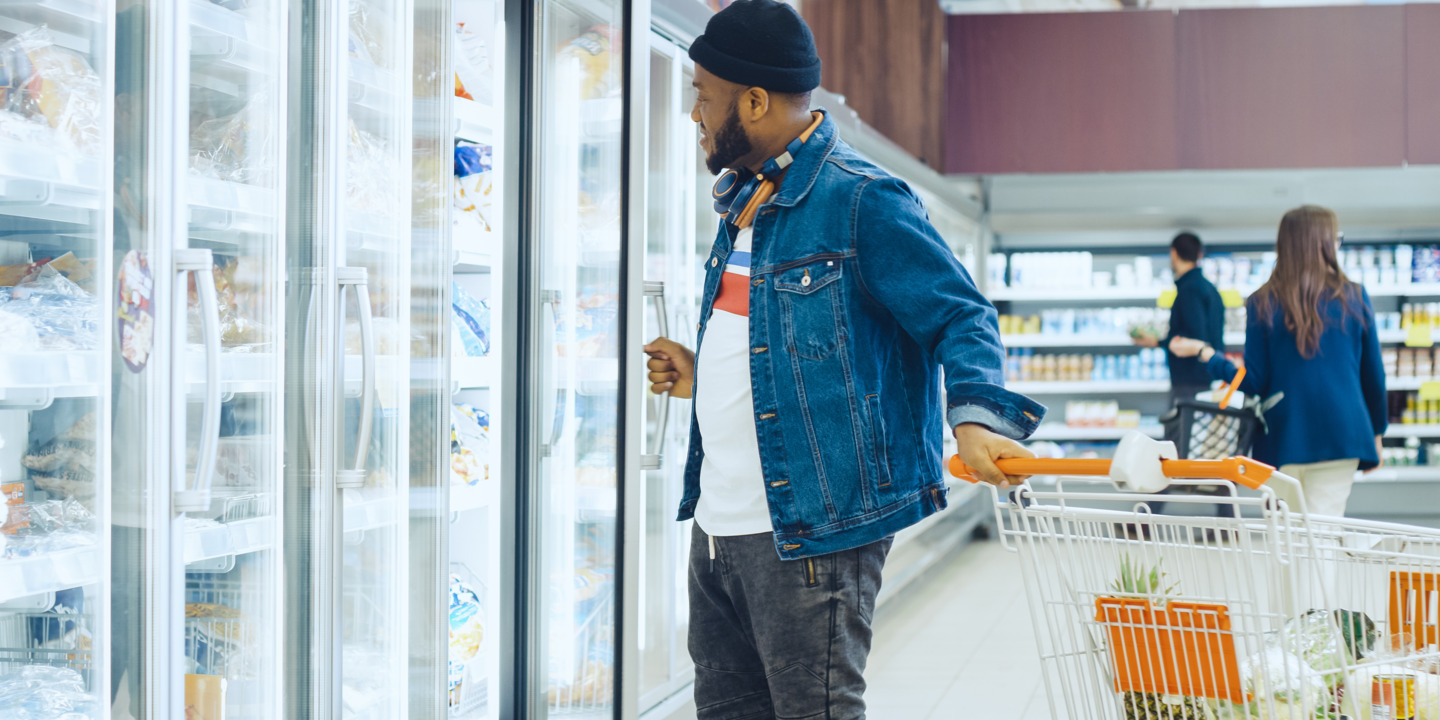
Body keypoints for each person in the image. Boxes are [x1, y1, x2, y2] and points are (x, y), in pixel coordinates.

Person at [642, 2, 1044, 717]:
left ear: (755, 101)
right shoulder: (741, 200)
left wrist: (976, 419)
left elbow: (961, 313)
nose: (694, 113)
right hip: (715, 525)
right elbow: (779, 341)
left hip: (813, 531)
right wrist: (702, 377)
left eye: (703, 95)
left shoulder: (862, 199)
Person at [1170, 205, 1387, 516]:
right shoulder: (1353, 296)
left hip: (1286, 436)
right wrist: (1376, 433)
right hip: (1344, 434)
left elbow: (1254, 382)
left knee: (1289, 540)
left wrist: (1207, 355)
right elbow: (1374, 376)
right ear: (1323, 244)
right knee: (1322, 539)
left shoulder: (1262, 301)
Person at [1134, 232, 1226, 410]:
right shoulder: (1209, 288)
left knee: (1180, 435)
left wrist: (1157, 342)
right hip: (1207, 378)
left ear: (1174, 254)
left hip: (1190, 383)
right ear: (1198, 255)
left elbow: (1194, 339)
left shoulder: (1189, 290)